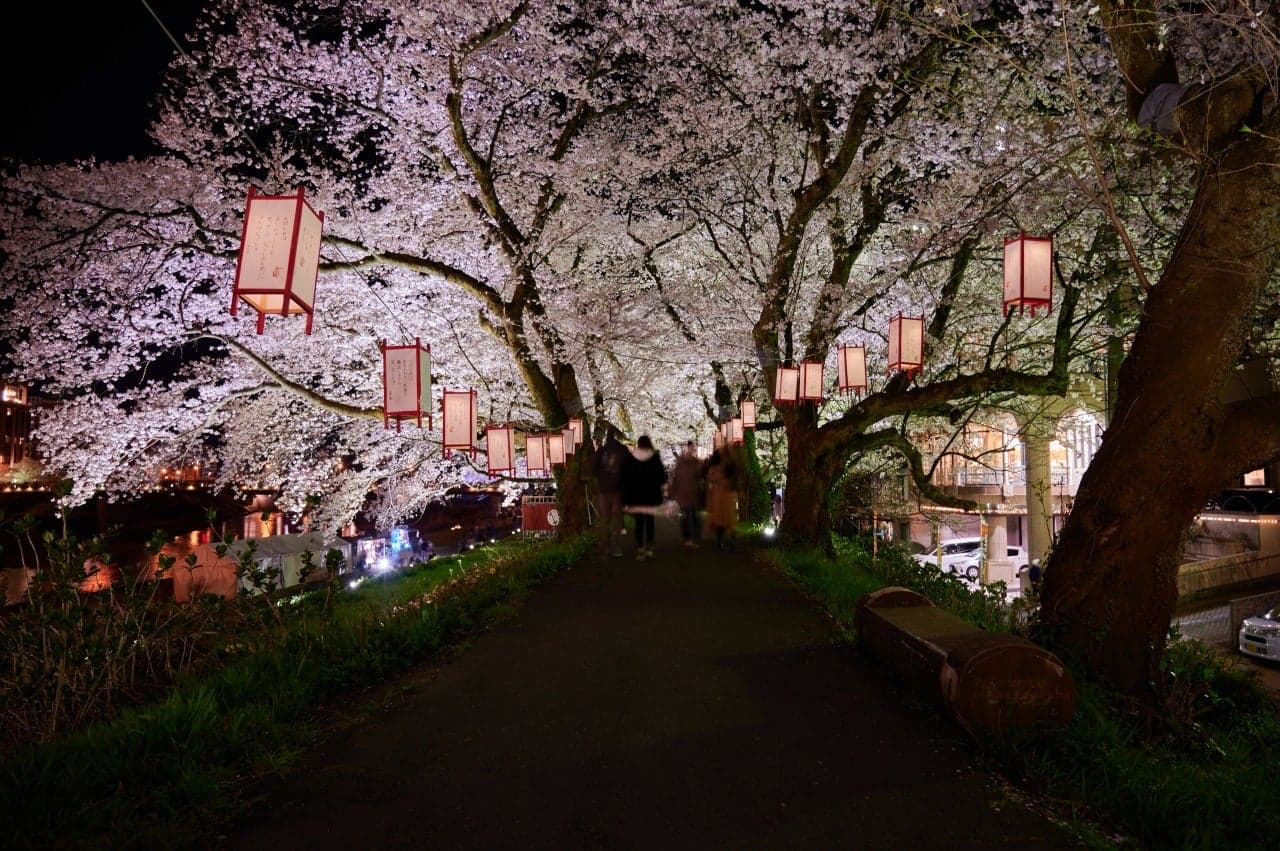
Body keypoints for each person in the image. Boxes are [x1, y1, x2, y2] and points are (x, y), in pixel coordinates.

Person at [621, 434, 667, 560]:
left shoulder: (631, 458)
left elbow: (625, 478)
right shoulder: (654, 458)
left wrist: (625, 496)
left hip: (636, 496)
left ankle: (640, 547)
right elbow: (662, 476)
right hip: (651, 495)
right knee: (650, 521)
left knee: (639, 522)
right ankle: (649, 548)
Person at [593, 431, 630, 557]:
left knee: (604, 519)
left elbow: (594, 469)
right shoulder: (623, 450)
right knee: (617, 519)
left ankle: (605, 547)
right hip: (618, 491)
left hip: (604, 490)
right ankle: (616, 547)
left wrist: (601, 479)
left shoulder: (601, 451)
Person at [669, 440, 705, 548]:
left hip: (692, 493)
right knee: (686, 516)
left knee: (693, 516)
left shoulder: (696, 463)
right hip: (685, 494)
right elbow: (675, 479)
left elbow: (701, 477)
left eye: (691, 449)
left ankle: (693, 539)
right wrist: (672, 493)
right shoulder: (682, 463)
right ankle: (688, 539)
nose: (689, 451)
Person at [704, 448, 739, 551]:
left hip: (722, 495)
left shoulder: (722, 467)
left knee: (723, 519)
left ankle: (723, 541)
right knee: (726, 519)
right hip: (724, 495)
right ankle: (726, 541)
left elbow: (711, 478)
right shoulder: (726, 466)